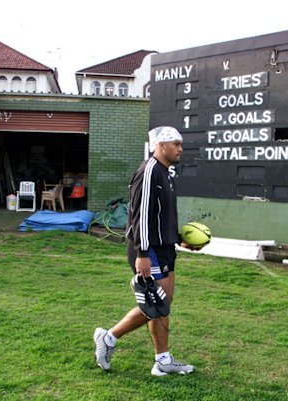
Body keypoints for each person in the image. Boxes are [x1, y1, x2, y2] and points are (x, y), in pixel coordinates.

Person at [93, 126, 195, 376]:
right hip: (148, 249)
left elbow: (160, 216)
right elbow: (141, 216)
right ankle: (109, 338)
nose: (181, 148)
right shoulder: (149, 171)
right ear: (160, 145)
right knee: (158, 303)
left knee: (163, 303)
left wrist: (178, 238)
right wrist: (142, 253)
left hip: (164, 247)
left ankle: (161, 359)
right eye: (176, 143)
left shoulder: (166, 173)